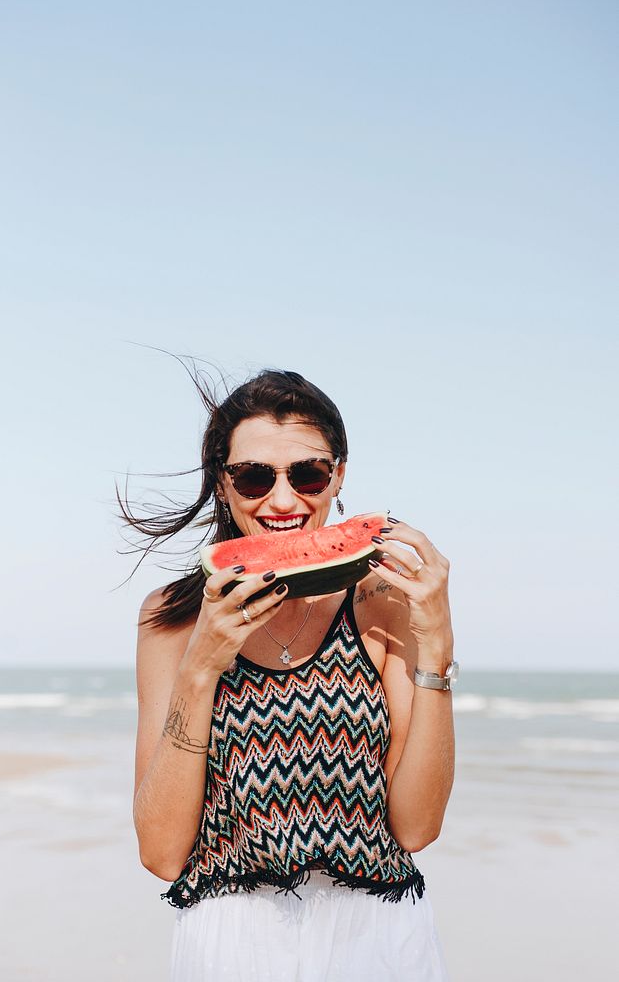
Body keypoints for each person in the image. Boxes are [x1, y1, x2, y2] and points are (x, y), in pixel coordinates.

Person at [126, 367, 456, 982]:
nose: (282, 501)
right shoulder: (171, 619)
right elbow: (162, 852)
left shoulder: (384, 605)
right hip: (228, 940)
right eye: (253, 476)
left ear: (339, 476)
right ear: (221, 485)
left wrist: (436, 642)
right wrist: (202, 666)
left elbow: (416, 827)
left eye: (307, 473)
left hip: (377, 934)